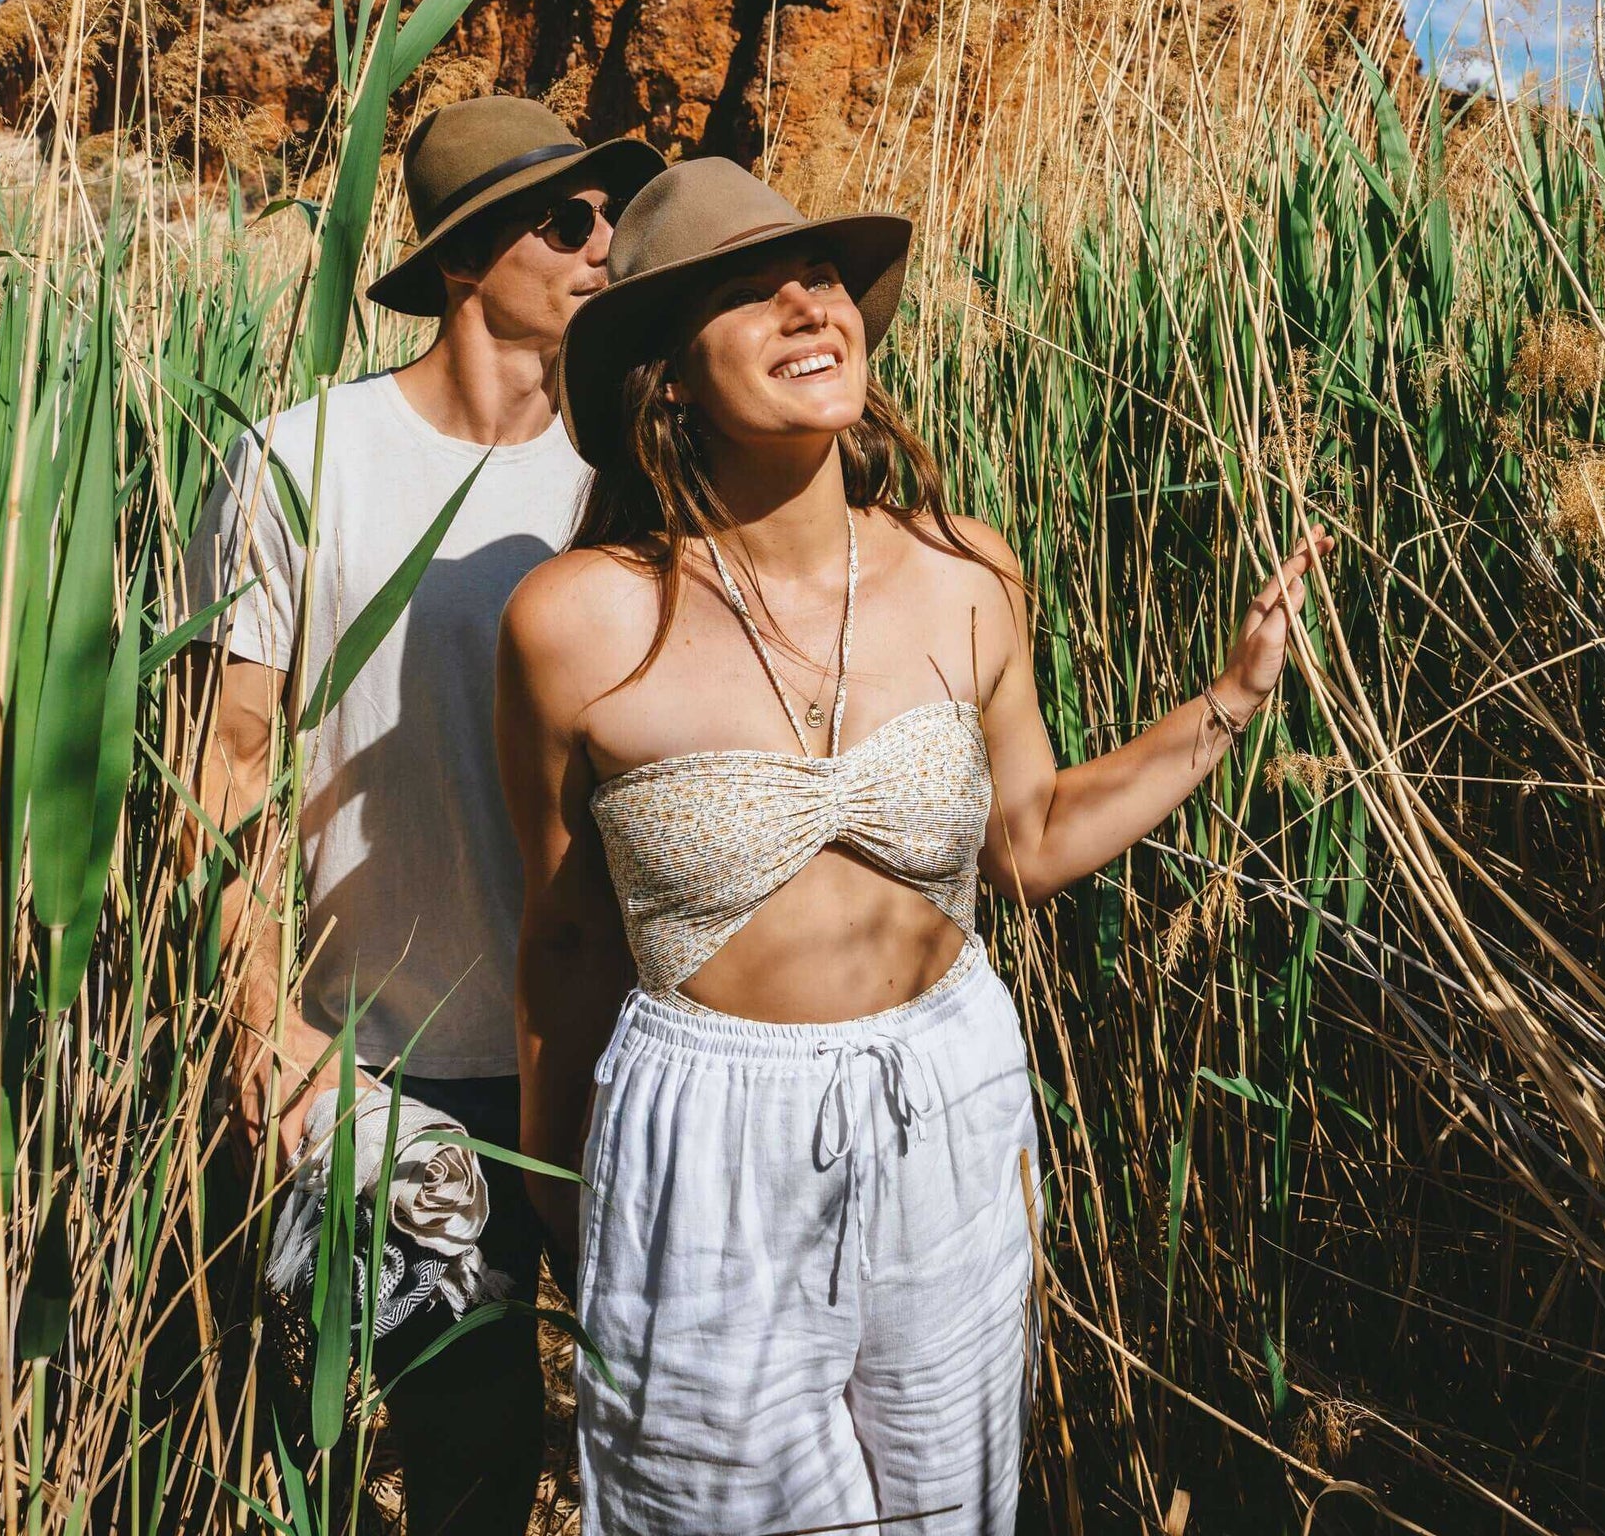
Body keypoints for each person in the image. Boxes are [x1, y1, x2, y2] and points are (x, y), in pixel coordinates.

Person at [495, 158, 1327, 1536]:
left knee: (949, 1500)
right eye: (742, 294)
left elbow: (1031, 837)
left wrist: (1228, 703)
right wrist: (564, 1195)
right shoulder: (575, 620)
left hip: (946, 1093)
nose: (803, 306)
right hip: (707, 1129)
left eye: (816, 277)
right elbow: (567, 933)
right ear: (667, 377)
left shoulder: (966, 571)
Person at [191, 94, 663, 1536]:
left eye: (612, 221)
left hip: (609, 1047)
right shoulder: (298, 459)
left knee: (651, 1426)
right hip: (385, 1066)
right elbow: (229, 763)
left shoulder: (628, 473)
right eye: (566, 219)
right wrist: (268, 1033)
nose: (603, 246)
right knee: (460, 1446)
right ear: (465, 260)